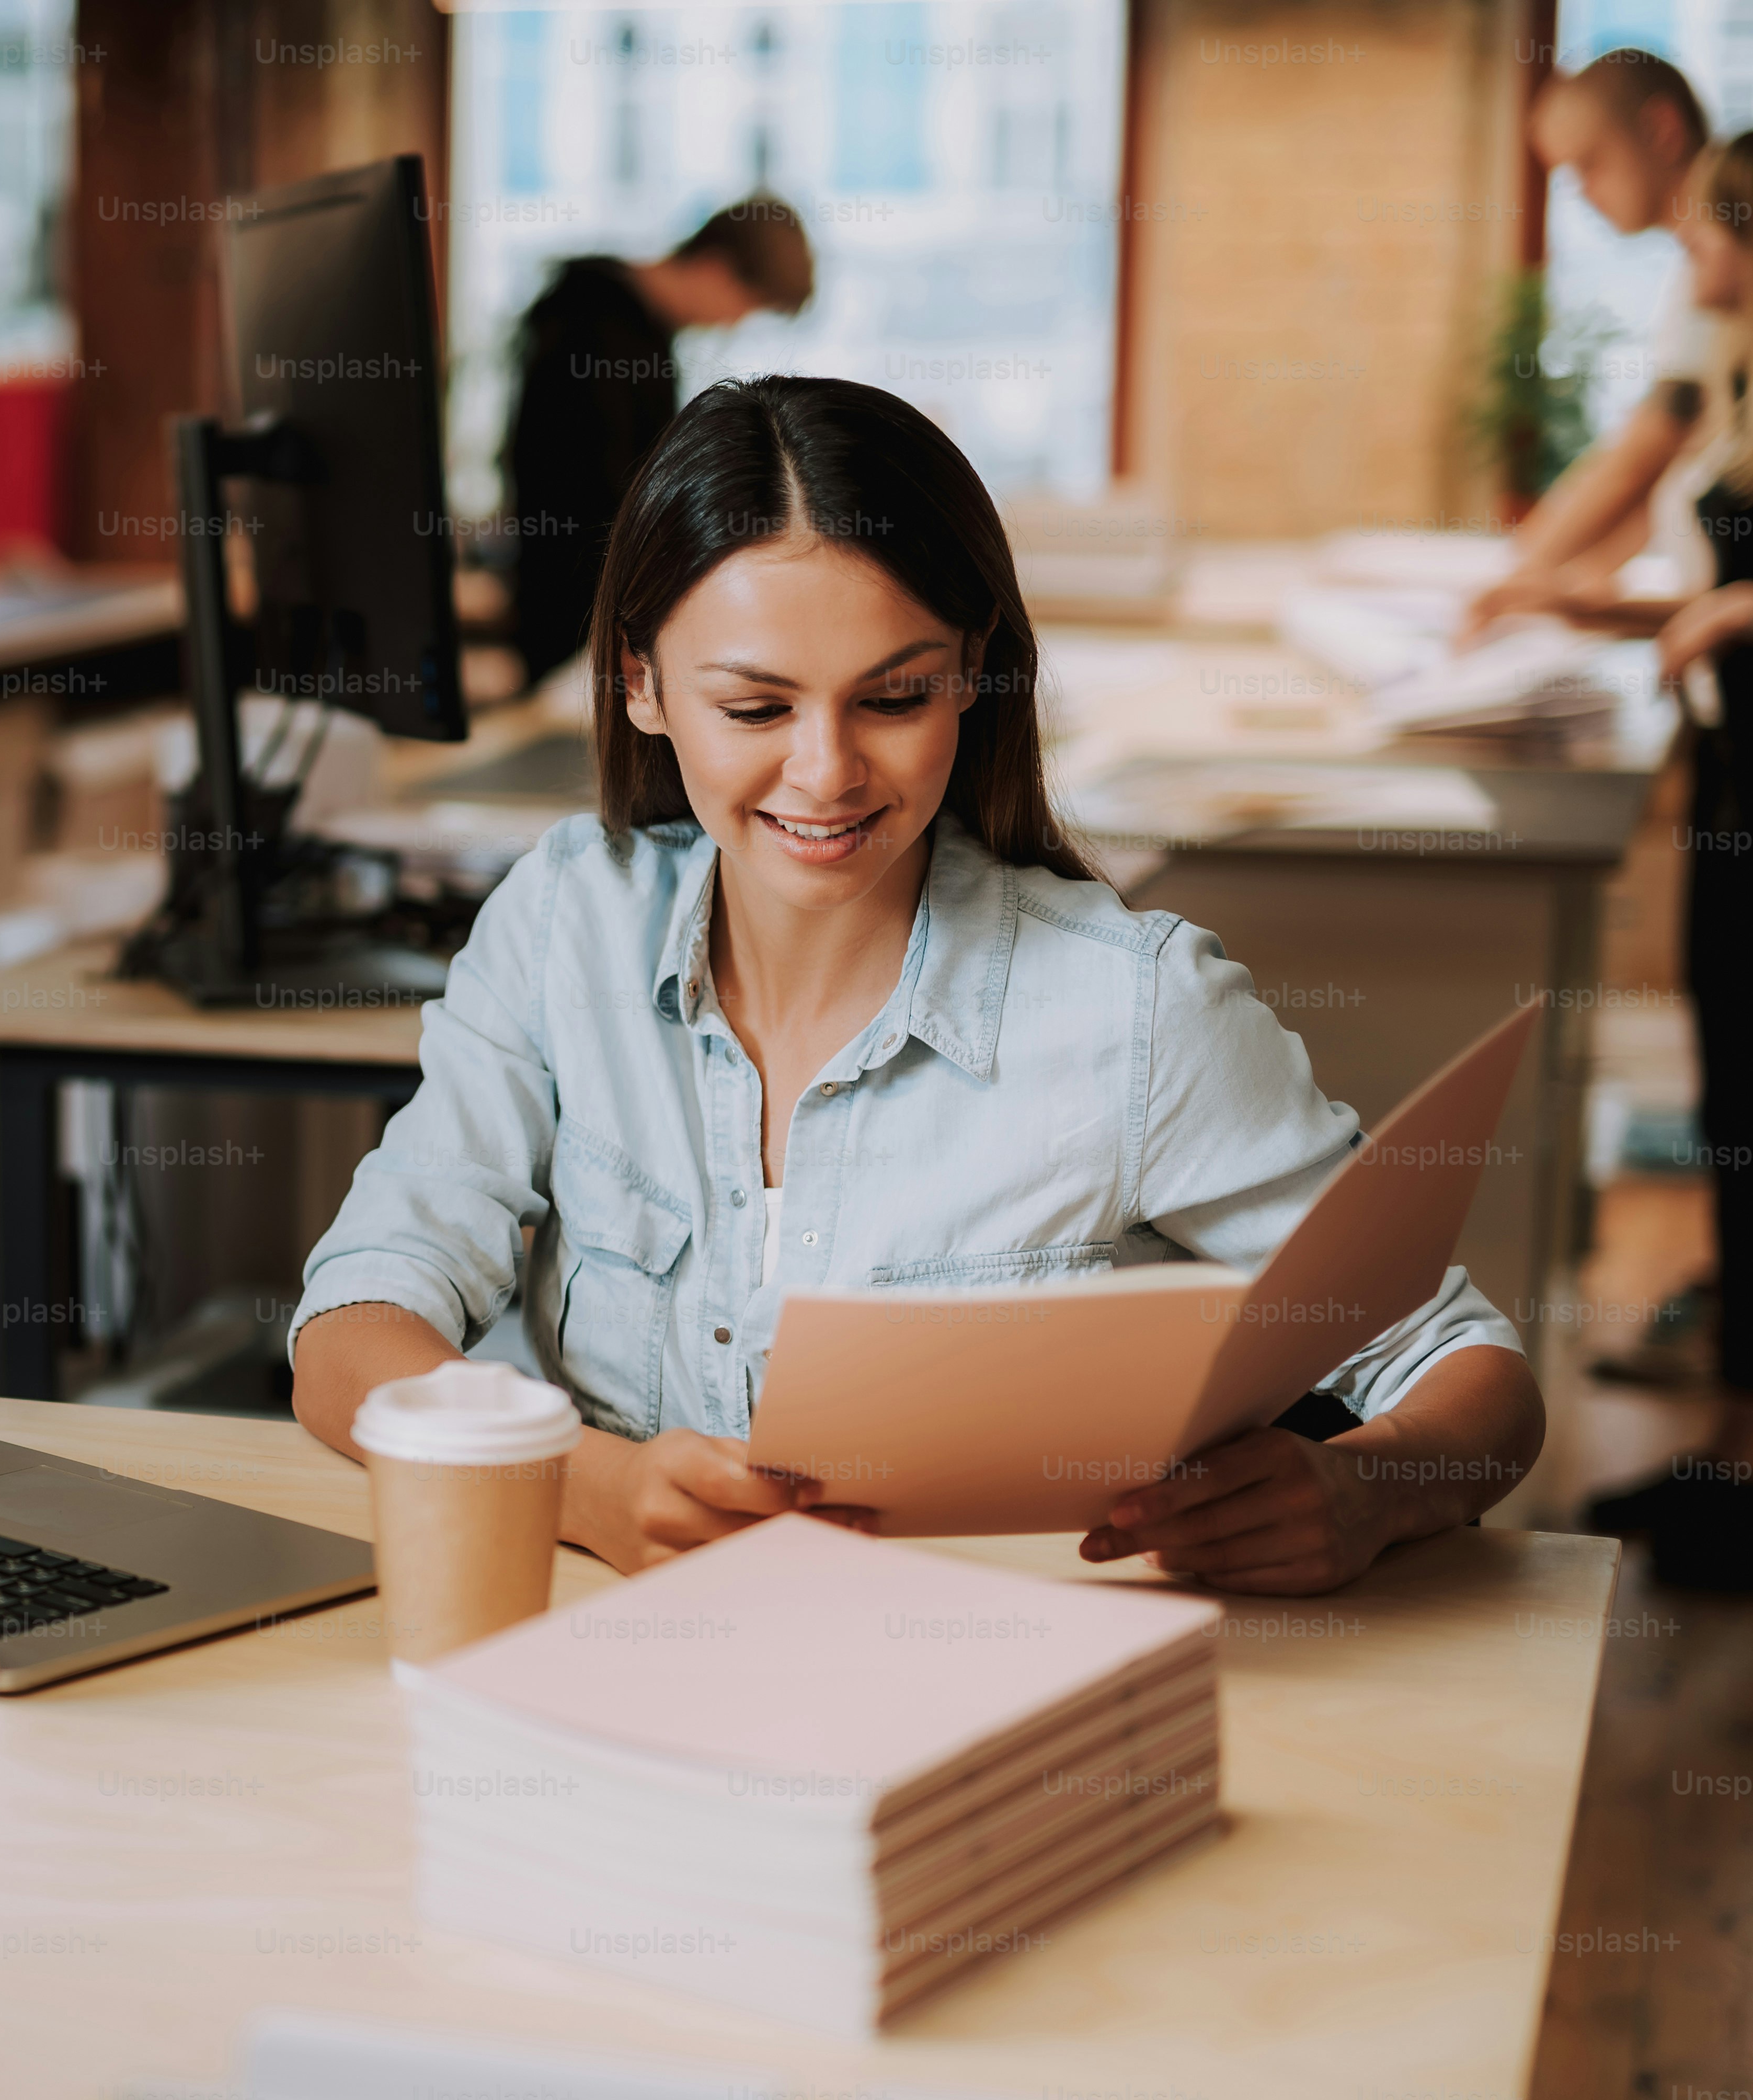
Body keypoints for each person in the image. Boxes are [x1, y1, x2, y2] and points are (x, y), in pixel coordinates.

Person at [289, 376, 1544, 1594]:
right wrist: (584, 1485)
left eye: (893, 696)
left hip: (997, 1697)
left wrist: (1370, 1491)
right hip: (611, 1673)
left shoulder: (1137, 1013)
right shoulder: (567, 920)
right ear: (640, 683)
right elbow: (351, 1329)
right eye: (755, 705)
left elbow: (1472, 1370)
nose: (825, 772)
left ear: (971, 673)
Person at [1584, 133, 1753, 1591]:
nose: (1690, 268)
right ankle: (1734, 1447)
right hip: (1730, 771)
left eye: (1707, 236)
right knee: (1729, 1099)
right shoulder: (1738, 375)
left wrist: (1733, 612)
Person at [503, 200, 814, 686]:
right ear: (716, 269)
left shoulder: (630, 326)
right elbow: (604, 491)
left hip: (584, 612)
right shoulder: (598, 326)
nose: (731, 324)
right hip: (575, 616)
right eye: (744, 306)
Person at [1468, 49, 1713, 630]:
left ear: (1662, 129)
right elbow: (1681, 467)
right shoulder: (1693, 271)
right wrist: (1572, 581)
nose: (1582, 194)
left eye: (1590, 165)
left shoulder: (1722, 270)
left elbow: (1651, 444)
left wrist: (1516, 572)